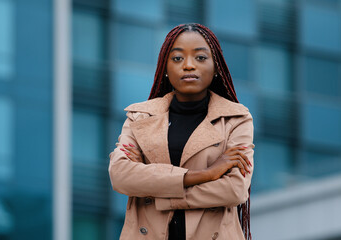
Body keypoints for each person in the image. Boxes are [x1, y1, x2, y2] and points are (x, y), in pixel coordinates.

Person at [109, 23, 254, 240]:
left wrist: (163, 196)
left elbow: (234, 189)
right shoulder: (139, 117)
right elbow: (120, 175)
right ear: (164, 68)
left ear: (216, 68)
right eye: (177, 58)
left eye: (200, 58)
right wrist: (205, 174)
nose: (188, 65)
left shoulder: (235, 119)